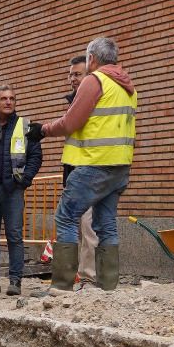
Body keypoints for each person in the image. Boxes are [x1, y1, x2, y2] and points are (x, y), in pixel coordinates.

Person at [37, 37, 137, 291]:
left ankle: (61, 286)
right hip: (119, 167)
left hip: (94, 164)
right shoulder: (127, 87)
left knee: (66, 216)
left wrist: (43, 130)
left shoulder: (95, 81)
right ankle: (108, 286)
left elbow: (71, 122)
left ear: (91, 58)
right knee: (106, 223)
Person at [0, 86, 42, 295]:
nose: (8, 102)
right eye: (3, 99)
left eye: (12, 98)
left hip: (12, 190)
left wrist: (25, 180)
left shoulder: (25, 125)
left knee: (14, 235)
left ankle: (15, 282)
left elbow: (35, 156)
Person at [61, 54, 101, 287]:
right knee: (74, 226)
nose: (72, 79)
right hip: (74, 175)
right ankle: (76, 277)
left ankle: (88, 279)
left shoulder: (93, 102)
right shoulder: (74, 102)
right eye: (70, 75)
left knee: (89, 228)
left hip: (90, 175)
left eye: (77, 74)